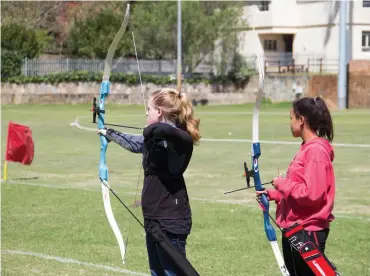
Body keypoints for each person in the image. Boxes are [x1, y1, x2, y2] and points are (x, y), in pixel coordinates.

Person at [98, 88, 200, 276]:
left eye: (149, 109)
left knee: (174, 272)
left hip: (171, 220)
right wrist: (108, 132)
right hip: (153, 218)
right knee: (157, 272)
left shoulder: (181, 139)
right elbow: (136, 142)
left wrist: (151, 130)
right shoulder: (154, 138)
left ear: (159, 112)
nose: (146, 113)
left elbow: (163, 130)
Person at [257, 97, 336, 276]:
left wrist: (282, 184)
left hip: (307, 232)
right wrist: (274, 195)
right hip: (295, 229)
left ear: (301, 120)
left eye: (291, 118)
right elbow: (300, 189)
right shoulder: (307, 148)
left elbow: (313, 194)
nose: (290, 122)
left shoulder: (315, 152)